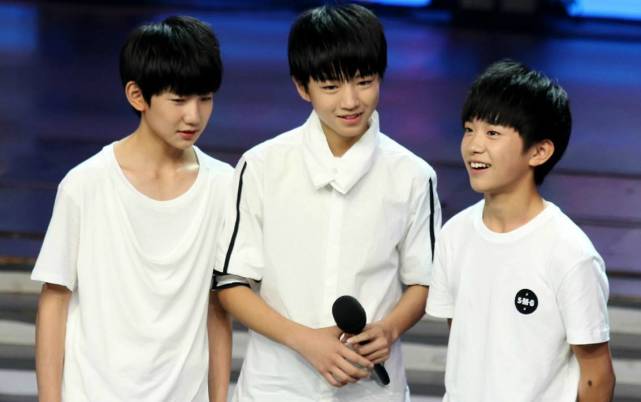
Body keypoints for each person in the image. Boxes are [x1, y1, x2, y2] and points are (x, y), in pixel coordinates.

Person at [213, 4, 441, 401]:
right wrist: (304, 340)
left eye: (364, 82)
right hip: (277, 388)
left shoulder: (413, 175)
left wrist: (389, 329)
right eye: (331, 87)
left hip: (370, 389)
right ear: (302, 87)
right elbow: (232, 283)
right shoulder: (262, 165)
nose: (350, 101)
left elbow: (424, 279)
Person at [31, 16, 232, 402]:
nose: (194, 115)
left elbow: (217, 307)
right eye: (179, 100)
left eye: (205, 98)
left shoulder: (223, 185)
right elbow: (54, 299)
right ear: (137, 96)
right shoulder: (85, 184)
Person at [426, 59, 615, 401]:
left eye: (493, 133)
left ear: (539, 151)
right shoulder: (454, 235)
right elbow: (466, 344)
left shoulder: (569, 252)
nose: (474, 145)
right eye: (469, 129)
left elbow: (597, 376)